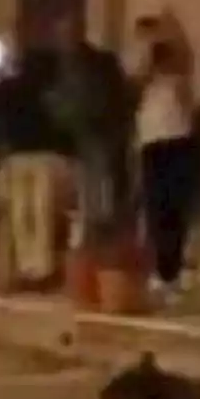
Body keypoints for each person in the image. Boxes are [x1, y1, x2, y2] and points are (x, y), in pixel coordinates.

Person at [0, 46, 70, 289]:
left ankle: (28, 267)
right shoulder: (53, 91)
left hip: (18, 156)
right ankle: (41, 269)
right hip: (44, 155)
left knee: (22, 213)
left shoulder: (9, 89)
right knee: (41, 212)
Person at [47, 15, 132, 241]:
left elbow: (113, 95)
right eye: (61, 35)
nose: (64, 39)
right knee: (86, 183)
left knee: (102, 180)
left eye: (68, 33)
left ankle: (103, 227)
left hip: (101, 129)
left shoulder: (100, 61)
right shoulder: (61, 64)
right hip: (77, 133)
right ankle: (93, 226)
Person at [136, 40, 198, 300]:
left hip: (176, 147)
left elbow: (190, 111)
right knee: (157, 211)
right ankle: (162, 272)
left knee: (172, 211)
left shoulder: (178, 84)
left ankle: (170, 273)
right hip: (154, 149)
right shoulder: (146, 87)